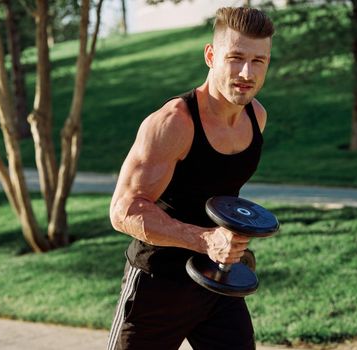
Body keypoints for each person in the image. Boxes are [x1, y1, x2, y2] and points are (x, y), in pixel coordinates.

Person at [107, 7, 275, 350]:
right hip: (158, 284)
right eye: (236, 57)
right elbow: (123, 211)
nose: (247, 72)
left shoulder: (255, 117)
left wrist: (233, 236)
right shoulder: (174, 123)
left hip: (217, 283)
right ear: (211, 56)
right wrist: (206, 240)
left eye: (259, 61)